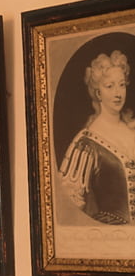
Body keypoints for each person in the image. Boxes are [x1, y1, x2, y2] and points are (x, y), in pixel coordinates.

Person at [58, 50, 135, 225]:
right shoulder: (86, 143)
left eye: (122, 85)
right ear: (98, 93)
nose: (118, 93)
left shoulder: (131, 129)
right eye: (110, 86)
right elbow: (70, 204)